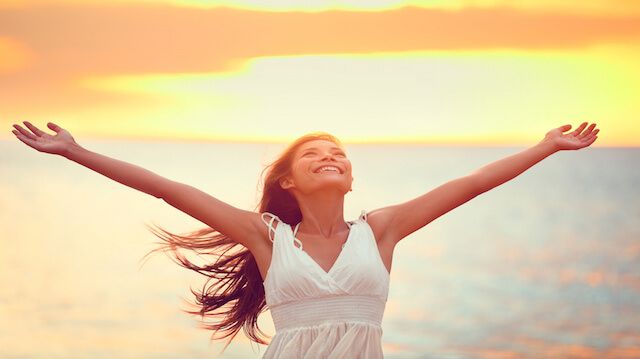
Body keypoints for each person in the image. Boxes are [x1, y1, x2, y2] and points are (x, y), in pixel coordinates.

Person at [11, 121, 599, 358]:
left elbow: (470, 183)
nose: (331, 157)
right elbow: (168, 188)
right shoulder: (266, 238)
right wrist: (76, 152)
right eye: (314, 154)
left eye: (338, 153)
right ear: (289, 181)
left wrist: (546, 146)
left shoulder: (382, 229)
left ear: (350, 176)